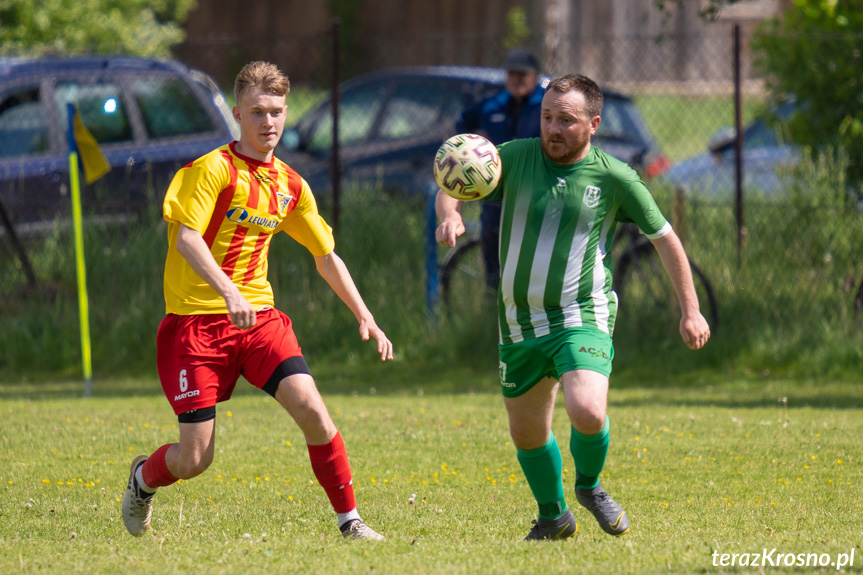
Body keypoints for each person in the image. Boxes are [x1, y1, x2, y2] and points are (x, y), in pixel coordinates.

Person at [122, 61, 393, 541]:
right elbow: (187, 238)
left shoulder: (290, 185)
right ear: (237, 114)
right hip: (195, 326)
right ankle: (143, 479)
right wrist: (226, 292)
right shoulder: (210, 171)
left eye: (277, 112)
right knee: (195, 459)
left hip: (260, 322)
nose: (269, 122)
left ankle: (350, 521)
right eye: (257, 112)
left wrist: (366, 315)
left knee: (314, 411)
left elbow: (325, 257)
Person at [436, 74, 710, 541]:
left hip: (581, 313)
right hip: (518, 321)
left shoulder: (615, 177)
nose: (552, 129)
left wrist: (691, 309)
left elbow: (664, 238)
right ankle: (553, 515)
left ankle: (590, 486)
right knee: (526, 433)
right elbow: (456, 178)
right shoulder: (516, 156)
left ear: (594, 123)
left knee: (587, 410)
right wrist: (451, 215)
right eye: (547, 117)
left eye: (566, 119)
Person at [455, 47, 545, 289]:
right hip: (496, 191)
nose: (517, 79)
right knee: (493, 252)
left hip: (536, 191)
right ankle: (492, 303)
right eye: (512, 73)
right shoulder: (492, 105)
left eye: (523, 74)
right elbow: (462, 122)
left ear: (535, 75)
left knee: (533, 258)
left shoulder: (547, 105)